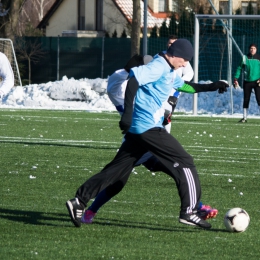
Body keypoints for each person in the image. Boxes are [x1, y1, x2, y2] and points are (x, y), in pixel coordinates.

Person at [66, 39, 229, 229]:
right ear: (175, 54)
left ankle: (79, 201)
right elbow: (134, 81)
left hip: (139, 131)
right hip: (148, 127)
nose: (185, 64)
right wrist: (127, 114)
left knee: (115, 172)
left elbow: (184, 86)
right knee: (185, 161)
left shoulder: (169, 69)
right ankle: (190, 211)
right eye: (184, 60)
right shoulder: (158, 66)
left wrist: (212, 86)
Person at [234, 43, 260, 123]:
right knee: (246, 99)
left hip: (257, 82)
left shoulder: (259, 58)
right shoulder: (245, 58)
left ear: (256, 50)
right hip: (247, 82)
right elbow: (239, 67)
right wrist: (236, 78)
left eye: (254, 48)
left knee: (259, 99)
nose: (252, 50)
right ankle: (244, 118)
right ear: (249, 49)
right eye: (251, 48)